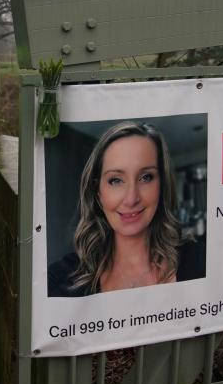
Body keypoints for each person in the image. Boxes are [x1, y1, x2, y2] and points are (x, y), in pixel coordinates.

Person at [48, 121, 205, 297]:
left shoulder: (202, 261)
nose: (131, 198)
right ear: (98, 192)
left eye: (146, 177)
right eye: (115, 180)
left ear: (162, 186)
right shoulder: (58, 281)